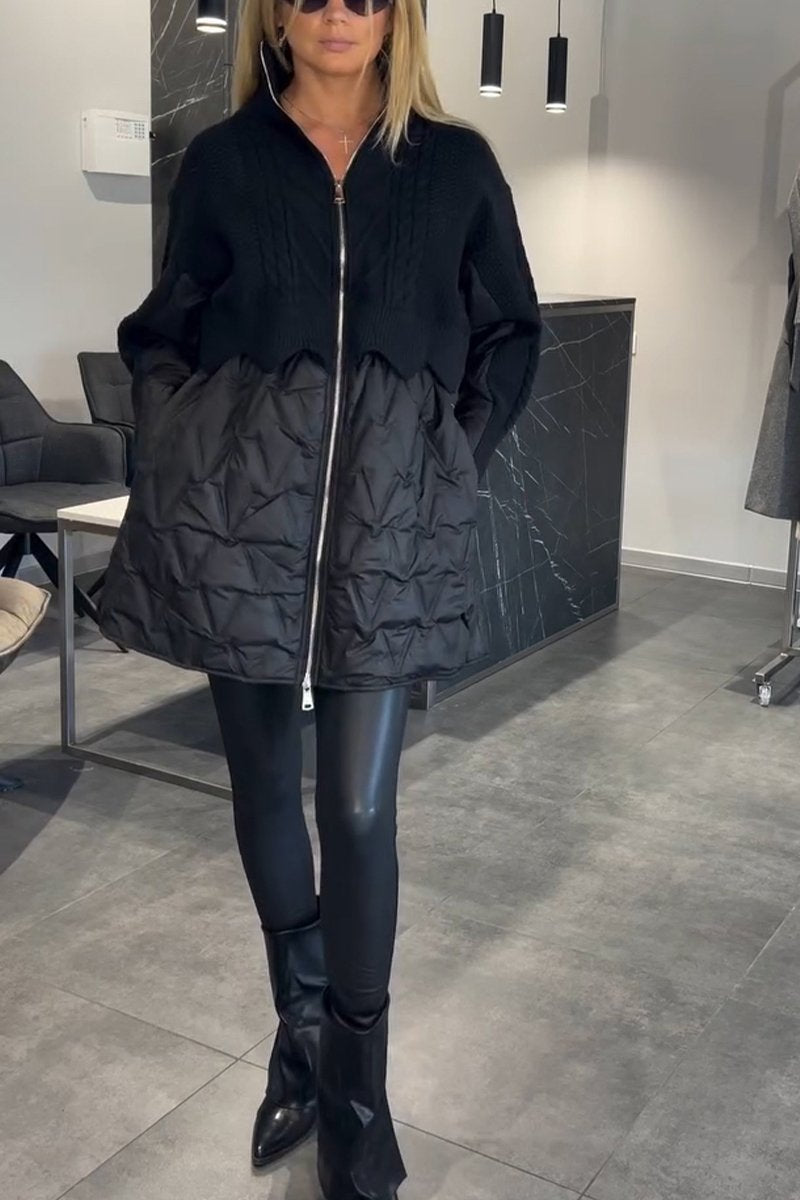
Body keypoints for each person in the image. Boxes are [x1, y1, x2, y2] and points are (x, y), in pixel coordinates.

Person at [97, 1, 542, 1196]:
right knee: (260, 791)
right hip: (238, 520)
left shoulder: (454, 166)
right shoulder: (226, 160)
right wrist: (185, 435)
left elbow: (511, 331)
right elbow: (162, 329)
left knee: (354, 807)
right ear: (276, 13)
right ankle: (300, 1033)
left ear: (397, 17)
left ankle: (353, 1089)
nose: (336, 10)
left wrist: (454, 454)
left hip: (389, 525)